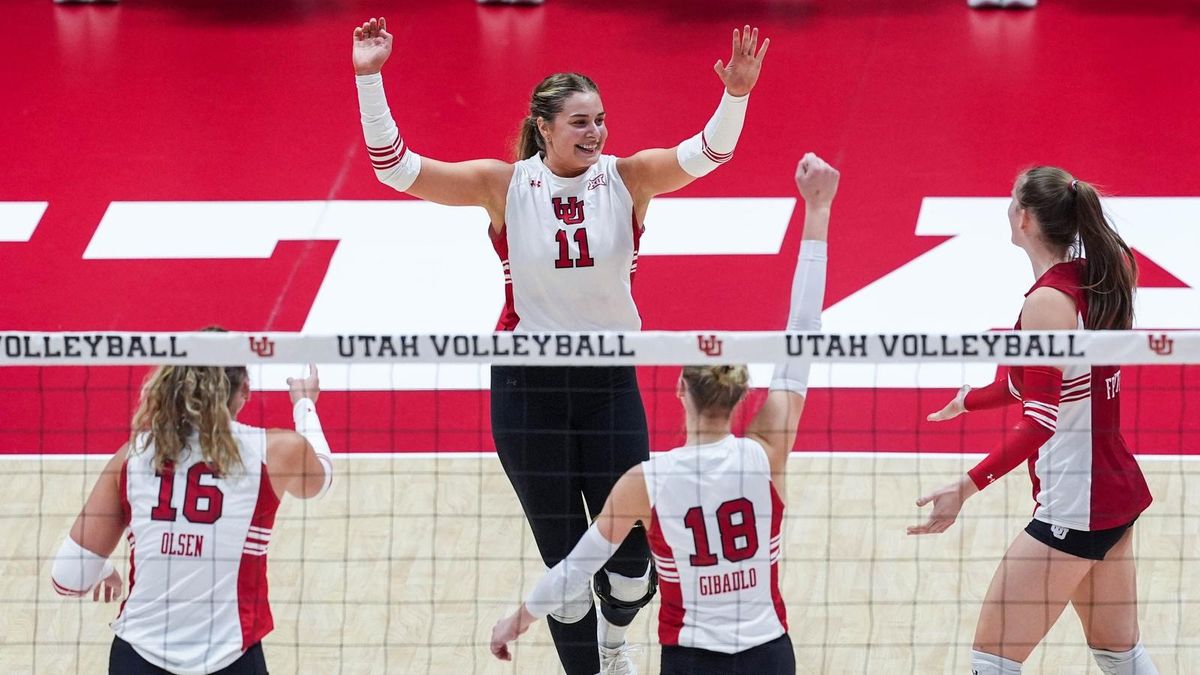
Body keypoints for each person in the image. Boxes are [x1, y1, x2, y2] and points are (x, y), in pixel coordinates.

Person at [350, 16, 770, 675]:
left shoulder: (628, 180)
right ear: (544, 128)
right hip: (528, 390)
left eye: (600, 119)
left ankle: (615, 636)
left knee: (632, 563)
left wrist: (736, 94)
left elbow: (707, 154)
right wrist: (369, 78)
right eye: (579, 122)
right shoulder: (505, 185)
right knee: (565, 564)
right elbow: (394, 170)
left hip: (607, 385)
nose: (595, 133)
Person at [489, 154, 838, 675]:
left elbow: (574, 570)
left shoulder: (646, 483)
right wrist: (819, 211)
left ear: (680, 389)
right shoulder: (768, 456)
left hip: (692, 658)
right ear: (742, 394)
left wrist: (519, 618)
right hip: (768, 653)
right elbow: (804, 328)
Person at [912, 168, 1157, 675]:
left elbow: (1040, 420)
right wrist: (970, 400)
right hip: (1113, 493)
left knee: (991, 661)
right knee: (1120, 658)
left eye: (1009, 200)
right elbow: (1045, 385)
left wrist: (965, 486)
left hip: (1075, 504)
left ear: (1024, 219)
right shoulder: (1104, 273)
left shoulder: (1048, 302)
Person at [50, 354, 333, 674]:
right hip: (231, 659)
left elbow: (67, 580)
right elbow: (322, 480)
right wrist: (305, 404)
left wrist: (100, 568)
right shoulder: (275, 451)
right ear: (244, 391)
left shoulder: (133, 455)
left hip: (138, 660)